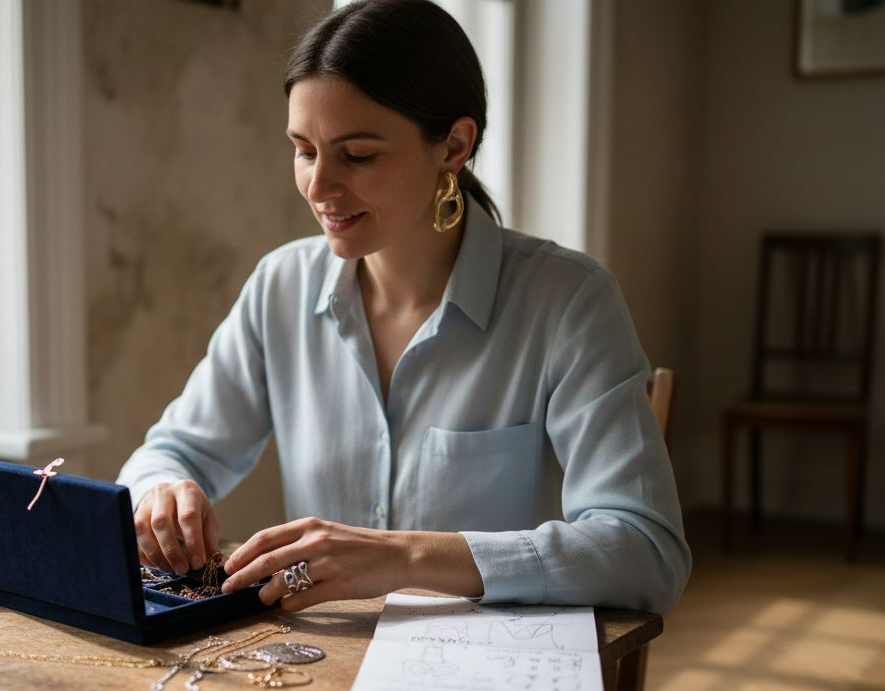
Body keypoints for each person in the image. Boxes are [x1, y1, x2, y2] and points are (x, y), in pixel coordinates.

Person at [117, 0, 690, 614]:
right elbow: (169, 452)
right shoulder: (279, 287)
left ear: (454, 146)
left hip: (500, 679)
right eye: (305, 150)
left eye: (357, 155)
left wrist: (406, 557)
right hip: (315, 672)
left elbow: (646, 550)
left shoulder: (570, 302)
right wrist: (163, 489)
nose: (318, 186)